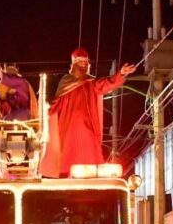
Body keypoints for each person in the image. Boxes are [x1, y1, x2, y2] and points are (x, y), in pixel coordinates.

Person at [41, 48, 136, 177]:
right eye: (81, 63)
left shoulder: (91, 83)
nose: (84, 66)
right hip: (70, 129)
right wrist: (44, 110)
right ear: (74, 65)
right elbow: (56, 104)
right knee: (68, 158)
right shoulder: (65, 82)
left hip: (88, 128)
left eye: (86, 63)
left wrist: (121, 74)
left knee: (91, 159)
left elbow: (107, 83)